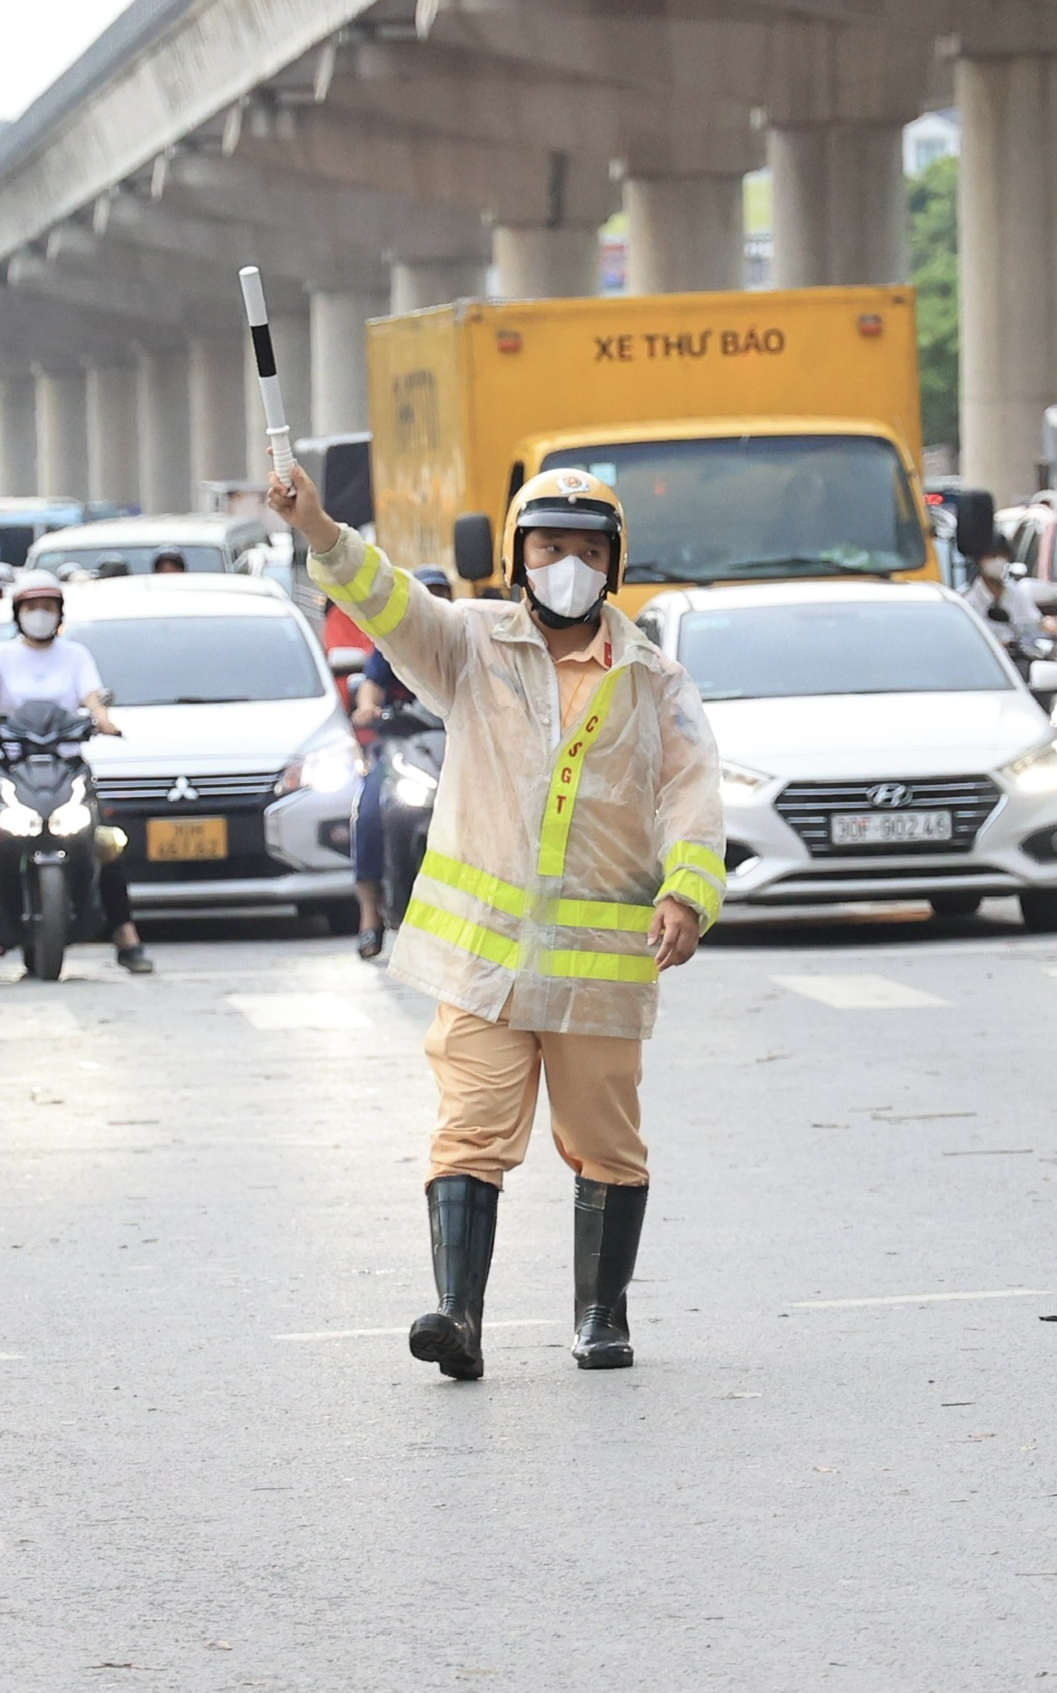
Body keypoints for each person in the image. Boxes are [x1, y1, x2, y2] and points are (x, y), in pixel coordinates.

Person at [271, 462, 723, 1381]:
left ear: (615, 564)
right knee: (471, 1125)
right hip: (484, 965)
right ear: (519, 559)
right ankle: (458, 1314)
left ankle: (601, 1315)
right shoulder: (470, 646)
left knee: (606, 1143)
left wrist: (686, 892)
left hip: (602, 966)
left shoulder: (655, 679)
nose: (569, 565)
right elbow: (388, 602)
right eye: (551, 547)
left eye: (587, 551)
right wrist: (320, 527)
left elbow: (691, 794)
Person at [0, 573, 152, 975]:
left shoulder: (76, 655)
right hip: (14, 767)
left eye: (48, 608)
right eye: (32, 608)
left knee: (105, 839)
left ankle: (125, 935)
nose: (40, 616)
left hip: (67, 768)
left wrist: (102, 718)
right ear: (18, 614)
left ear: (59, 614)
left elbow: (93, 697)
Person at [349, 565, 454, 960]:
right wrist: (368, 707)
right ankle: (370, 916)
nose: (434, 604)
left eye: (440, 595)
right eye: (426, 596)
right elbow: (370, 688)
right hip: (402, 748)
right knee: (372, 813)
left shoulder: (465, 641)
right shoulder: (391, 641)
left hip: (456, 748)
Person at [965, 535, 1044, 649]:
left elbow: (1034, 625)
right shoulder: (969, 602)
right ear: (979, 560)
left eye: (1002, 556)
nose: (998, 560)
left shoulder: (1018, 594)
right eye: (992, 556)